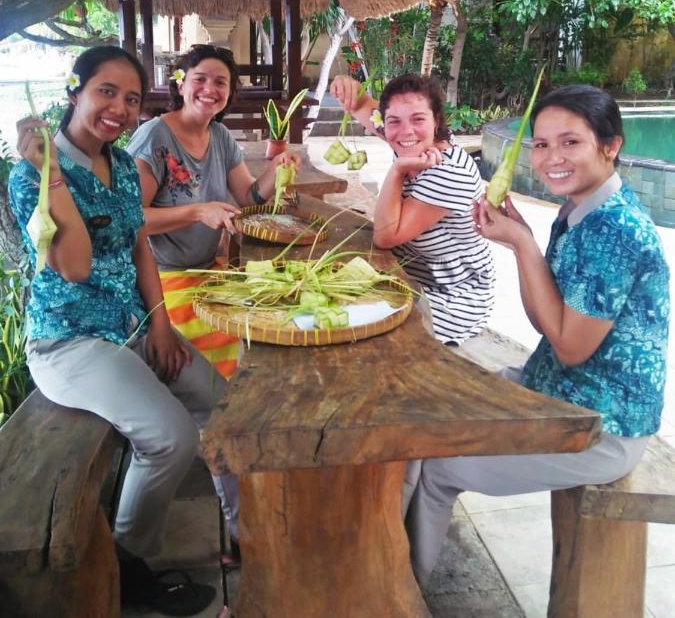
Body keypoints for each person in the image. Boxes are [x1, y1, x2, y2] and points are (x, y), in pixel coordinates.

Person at [404, 84, 670, 586]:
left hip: (601, 425)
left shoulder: (614, 231)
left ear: (610, 145)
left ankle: (403, 589)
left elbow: (570, 348)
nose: (551, 158)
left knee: (437, 470)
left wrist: (523, 245)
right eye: (542, 144)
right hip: (555, 390)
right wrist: (520, 242)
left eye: (570, 143)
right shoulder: (579, 211)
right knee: (426, 419)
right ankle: (388, 554)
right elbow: (544, 322)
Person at [9, 45, 230, 615]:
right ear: (73, 92)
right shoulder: (27, 175)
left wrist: (161, 325)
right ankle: (126, 562)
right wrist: (49, 175)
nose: (121, 109)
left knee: (221, 405)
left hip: (133, 328)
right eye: (106, 91)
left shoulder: (123, 165)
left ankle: (244, 528)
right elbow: (75, 265)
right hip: (70, 341)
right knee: (170, 437)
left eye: (132, 99)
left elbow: (139, 246)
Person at [127, 44, 298, 551]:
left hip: (210, 273)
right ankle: (238, 519)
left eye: (220, 83)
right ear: (181, 82)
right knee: (224, 377)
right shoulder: (154, 137)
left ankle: (251, 469)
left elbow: (249, 200)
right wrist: (194, 212)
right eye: (200, 79)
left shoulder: (220, 136)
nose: (210, 90)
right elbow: (131, 216)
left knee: (273, 338)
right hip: (165, 279)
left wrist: (278, 166)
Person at [330, 73, 495, 345]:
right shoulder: (411, 141)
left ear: (436, 121)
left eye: (418, 119)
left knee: (357, 334)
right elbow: (359, 104)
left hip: (449, 296)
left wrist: (397, 171)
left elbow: (384, 235)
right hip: (405, 277)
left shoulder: (447, 173)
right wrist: (342, 83)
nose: (406, 131)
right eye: (393, 121)